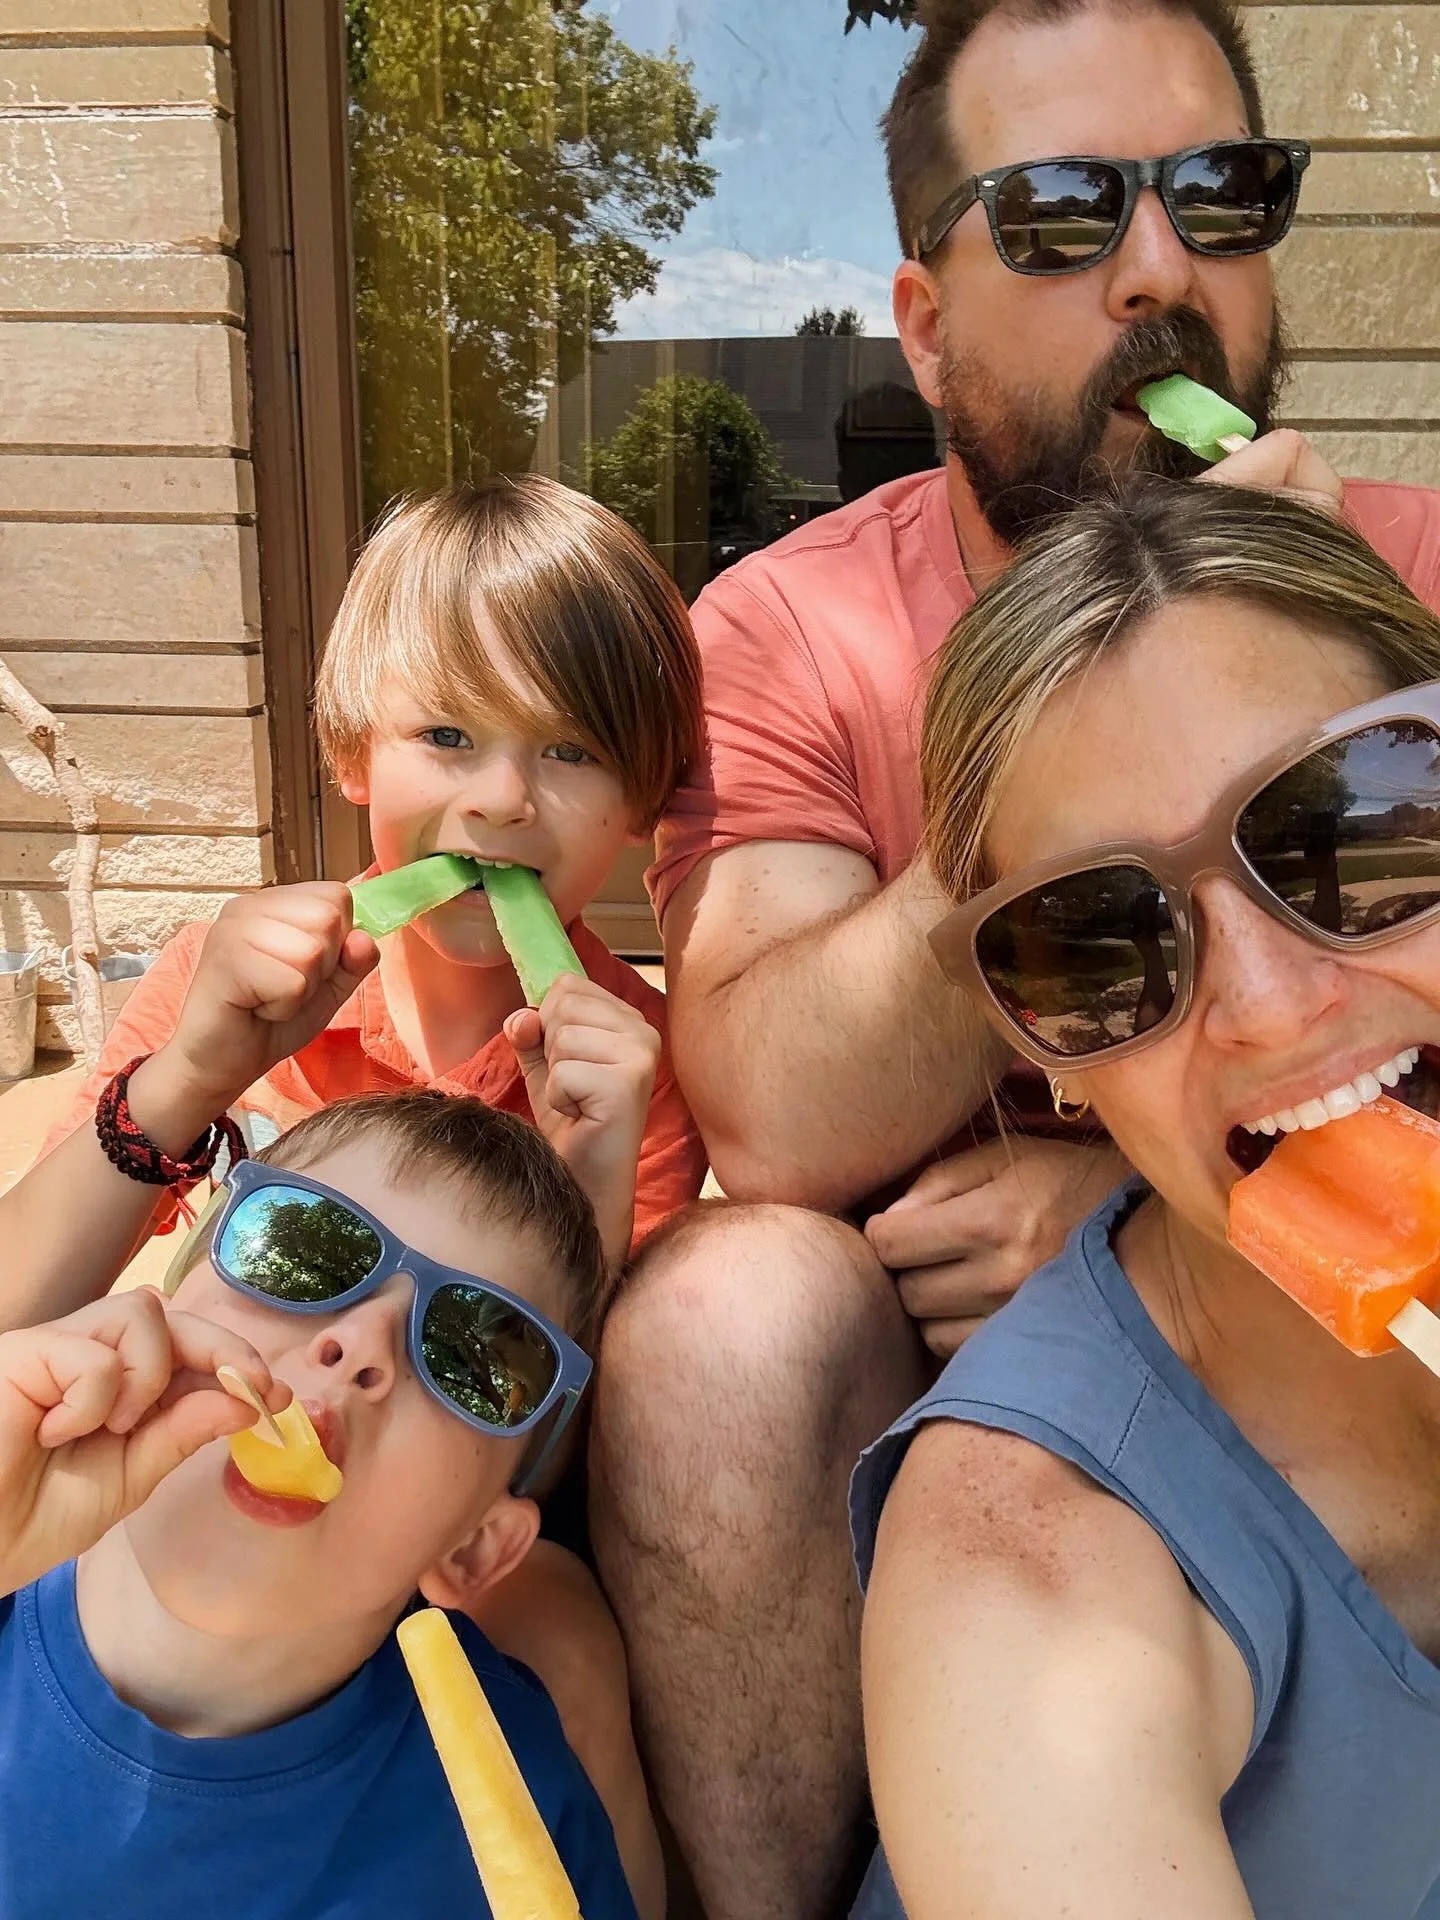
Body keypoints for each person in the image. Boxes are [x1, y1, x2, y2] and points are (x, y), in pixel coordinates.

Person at [591, 2, 1440, 1914]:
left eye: (1221, 195)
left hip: (1231, 1221)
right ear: (923, 319)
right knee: (727, 1321)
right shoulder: (795, 626)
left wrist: (1148, 1172)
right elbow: (775, 1116)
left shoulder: (1410, 576)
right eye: (1060, 217)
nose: (1161, 270)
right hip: (953, 1322)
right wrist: (1050, 783)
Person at [1, 474, 703, 1917]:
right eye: (448, 734)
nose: (501, 796)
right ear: (349, 756)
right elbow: (18, 1306)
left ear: (640, 813)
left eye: (569, 750)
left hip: (432, 1516)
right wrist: (195, 1074)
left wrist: (591, 1197)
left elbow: (539, 1461)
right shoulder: (233, 975)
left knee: (562, 1628)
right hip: (199, 1454)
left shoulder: (635, 1068)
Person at [855, 474, 1440, 1918]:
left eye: (1349, 828)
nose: (1266, 1005)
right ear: (1049, 1061)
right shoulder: (1026, 1572)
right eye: (1096, 938)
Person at [0, 1089, 645, 1919]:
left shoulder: (516, 1824)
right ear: (163, 1298)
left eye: (470, 1358)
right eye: (303, 1249)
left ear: (475, 1546)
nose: (361, 1344)